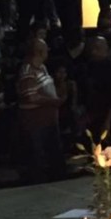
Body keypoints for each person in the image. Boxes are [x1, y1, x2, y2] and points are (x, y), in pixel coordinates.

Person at [17, 38, 66, 183]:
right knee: (37, 152)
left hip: (48, 118)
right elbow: (31, 97)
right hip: (35, 120)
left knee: (52, 150)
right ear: (39, 52)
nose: (48, 51)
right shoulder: (28, 71)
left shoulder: (42, 68)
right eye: (45, 49)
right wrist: (53, 101)